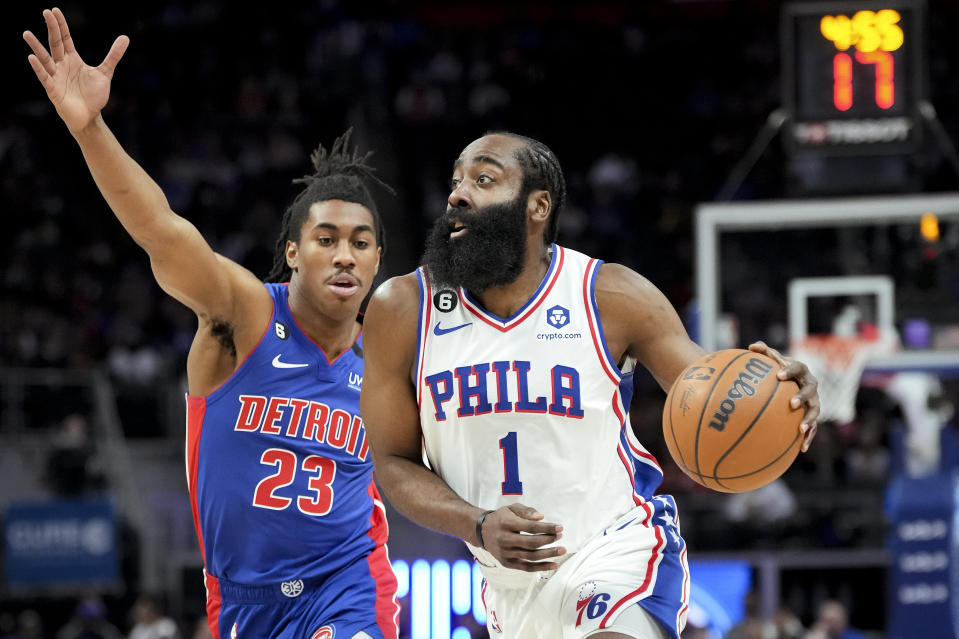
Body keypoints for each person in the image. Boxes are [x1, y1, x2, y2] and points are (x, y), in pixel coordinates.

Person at [23, 8, 398, 639]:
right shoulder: (246, 314)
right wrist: (90, 130)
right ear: (292, 252)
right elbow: (163, 232)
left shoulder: (390, 353)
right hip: (242, 599)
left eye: (361, 243)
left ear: (378, 259)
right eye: (326, 238)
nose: (344, 254)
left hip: (350, 583)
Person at [360, 132, 820, 638]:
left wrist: (780, 392)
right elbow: (393, 462)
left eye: (484, 179)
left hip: (618, 548)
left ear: (537, 206)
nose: (458, 194)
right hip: (507, 584)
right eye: (456, 181)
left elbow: (708, 386)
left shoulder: (610, 294)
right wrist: (476, 523)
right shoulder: (402, 309)